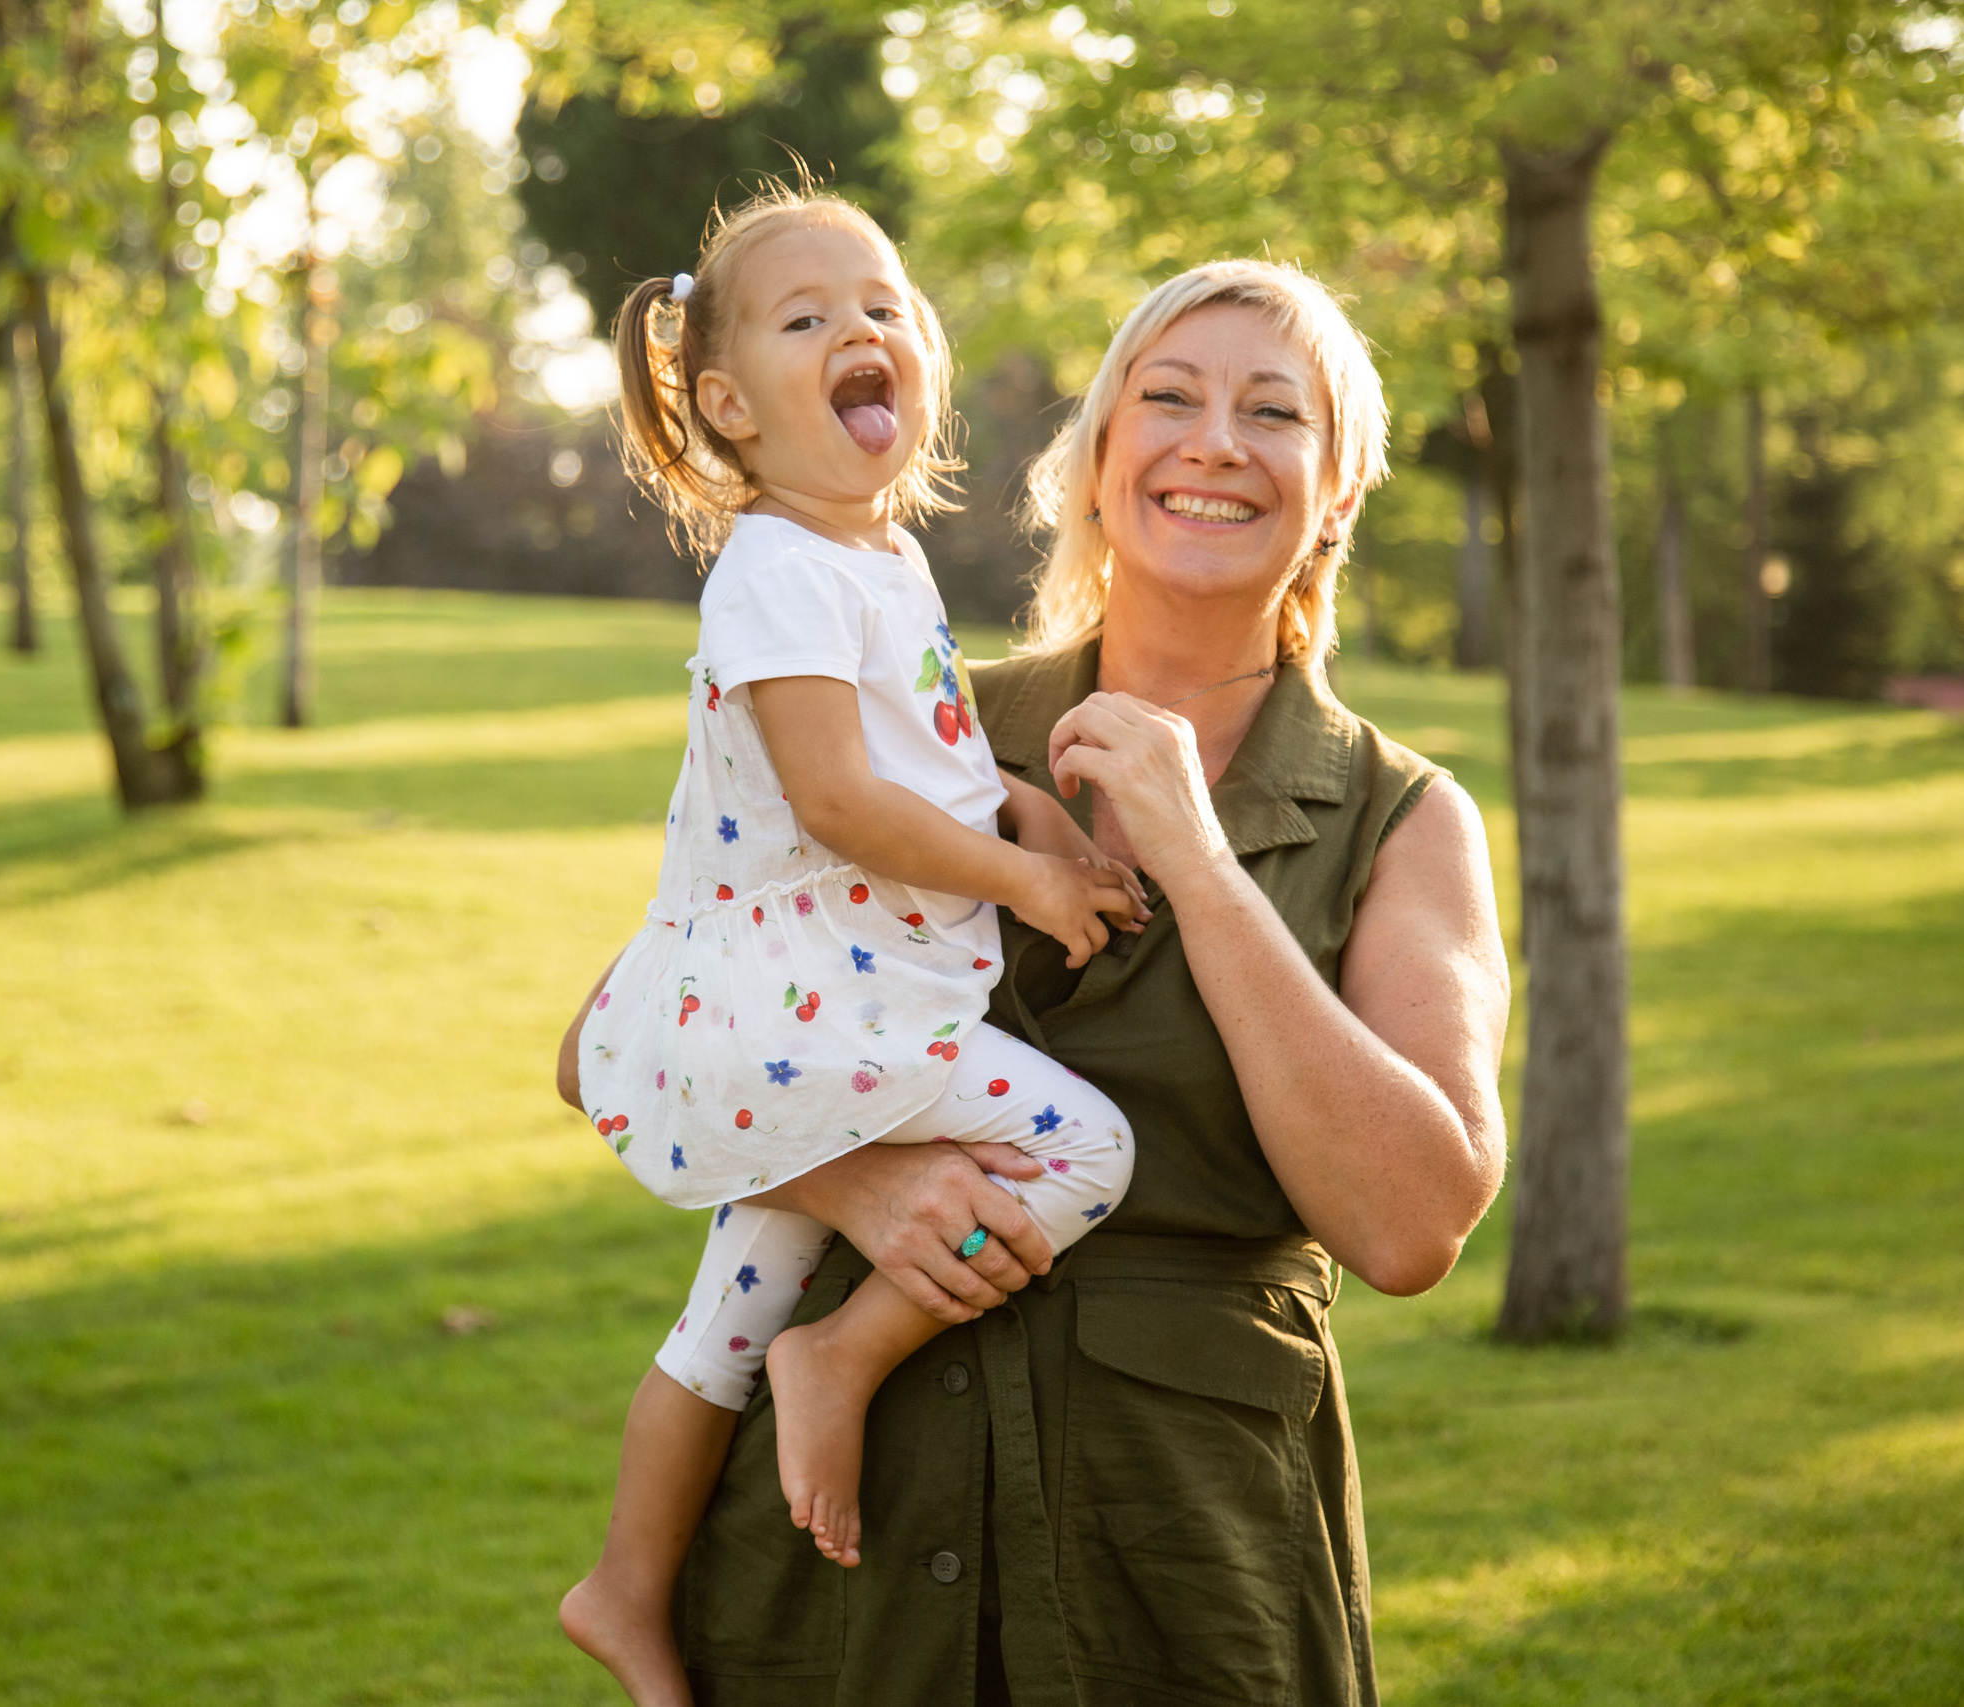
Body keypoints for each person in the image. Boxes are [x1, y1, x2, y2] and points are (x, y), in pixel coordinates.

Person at [643, 260, 1514, 1705]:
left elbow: (1413, 1221)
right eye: (1165, 399)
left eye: (1274, 413)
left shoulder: (1401, 818)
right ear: (1096, 468)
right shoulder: (912, 727)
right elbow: (633, 1039)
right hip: (848, 1565)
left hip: (1184, 1574)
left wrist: (1197, 859)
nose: (1215, 441)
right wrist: (859, 1184)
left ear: (1341, 489)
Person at [555, 188, 1152, 1707]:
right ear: (729, 409)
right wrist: (1031, 891)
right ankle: (852, 1356)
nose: (859, 333)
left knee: (723, 1320)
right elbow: (838, 797)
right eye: (808, 319)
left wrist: (1036, 822)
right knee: (1086, 1154)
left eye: (882, 307)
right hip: (826, 1012)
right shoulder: (780, 573)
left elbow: (938, 766)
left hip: (825, 1010)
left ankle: (624, 1588)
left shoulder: (869, 562)